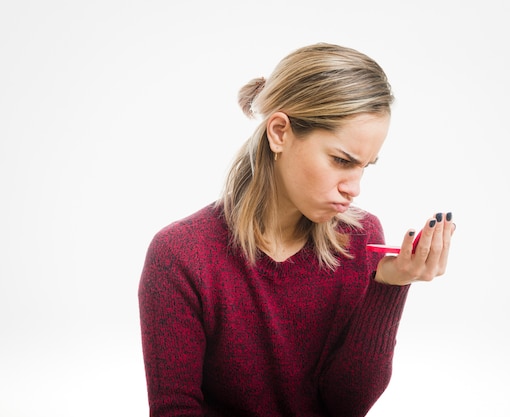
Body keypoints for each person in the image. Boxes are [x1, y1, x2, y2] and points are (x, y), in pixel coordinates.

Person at [138, 42, 456, 417]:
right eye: (341, 160)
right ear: (279, 133)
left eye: (365, 166)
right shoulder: (180, 256)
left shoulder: (361, 239)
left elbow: (345, 405)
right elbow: (174, 410)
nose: (354, 188)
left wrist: (391, 285)